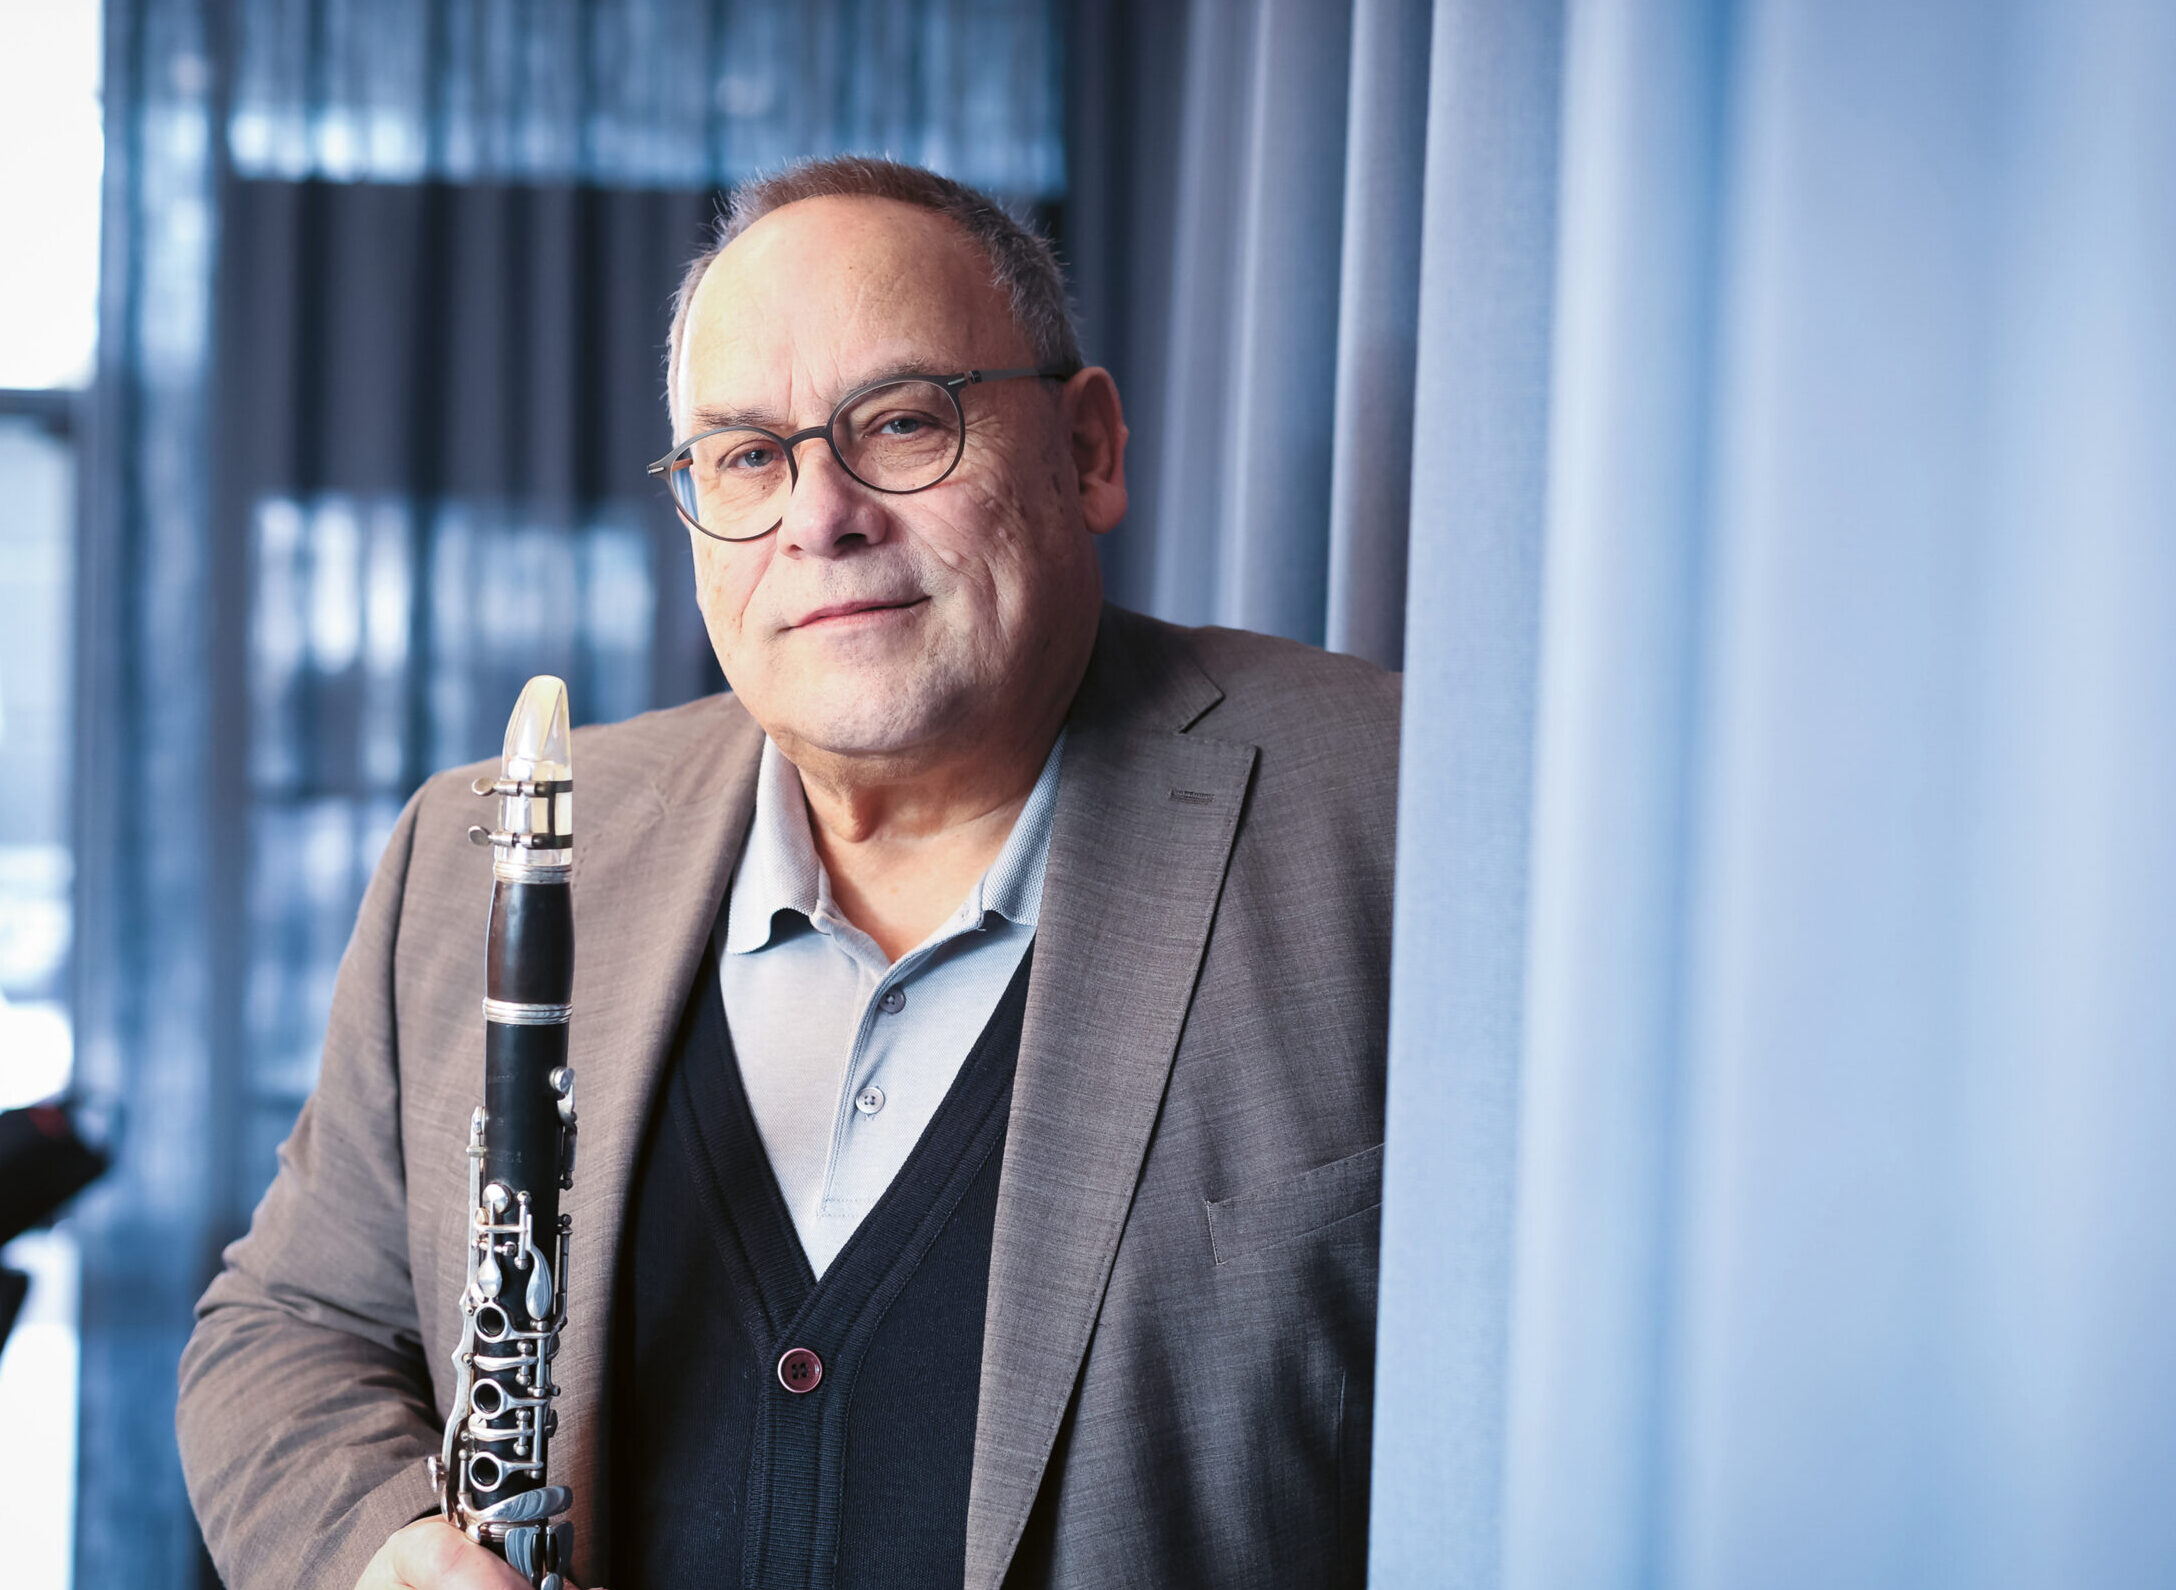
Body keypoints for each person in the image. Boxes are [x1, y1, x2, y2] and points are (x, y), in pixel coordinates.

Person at [178, 157, 1398, 1590]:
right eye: (747, 456)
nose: (819, 517)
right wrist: (383, 1547)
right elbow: (287, 1321)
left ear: (1089, 450)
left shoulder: (1388, 812)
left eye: (900, 421)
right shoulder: (472, 852)